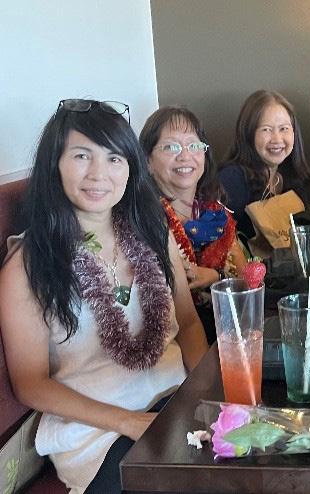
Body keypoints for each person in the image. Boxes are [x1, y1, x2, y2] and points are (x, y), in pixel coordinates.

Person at [0, 99, 208, 493]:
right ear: (55, 165)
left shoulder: (152, 230)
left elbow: (189, 322)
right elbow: (30, 383)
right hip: (97, 434)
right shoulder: (29, 263)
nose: (99, 173)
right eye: (82, 155)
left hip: (178, 403)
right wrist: (128, 422)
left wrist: (208, 393)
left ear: (131, 168)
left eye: (114, 158)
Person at [140, 106, 248, 343]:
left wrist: (215, 275)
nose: (185, 156)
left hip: (233, 331)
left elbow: (246, 281)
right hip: (175, 342)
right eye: (171, 147)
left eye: (193, 145)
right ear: (147, 161)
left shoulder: (214, 213)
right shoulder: (145, 222)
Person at [218, 90, 310, 242]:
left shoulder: (293, 177)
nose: (277, 139)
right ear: (248, 134)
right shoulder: (232, 179)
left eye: (284, 128)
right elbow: (218, 241)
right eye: (266, 129)